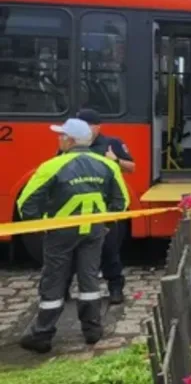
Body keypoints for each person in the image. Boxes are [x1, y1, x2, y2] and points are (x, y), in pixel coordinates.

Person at [16, 118, 130, 353]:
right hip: (94, 231)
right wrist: (105, 222)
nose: (59, 138)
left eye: (61, 135)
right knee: (89, 279)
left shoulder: (52, 166)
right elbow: (122, 202)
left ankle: (42, 334)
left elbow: (26, 202)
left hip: (60, 233)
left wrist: (39, 225)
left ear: (70, 140)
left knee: (54, 280)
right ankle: (92, 330)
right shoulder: (107, 165)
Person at [62, 109, 134, 305]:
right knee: (68, 252)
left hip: (104, 210)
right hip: (73, 210)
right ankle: (63, 290)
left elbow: (131, 168)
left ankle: (115, 288)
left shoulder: (112, 143)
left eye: (87, 125)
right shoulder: (69, 145)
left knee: (110, 251)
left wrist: (116, 160)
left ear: (98, 126)